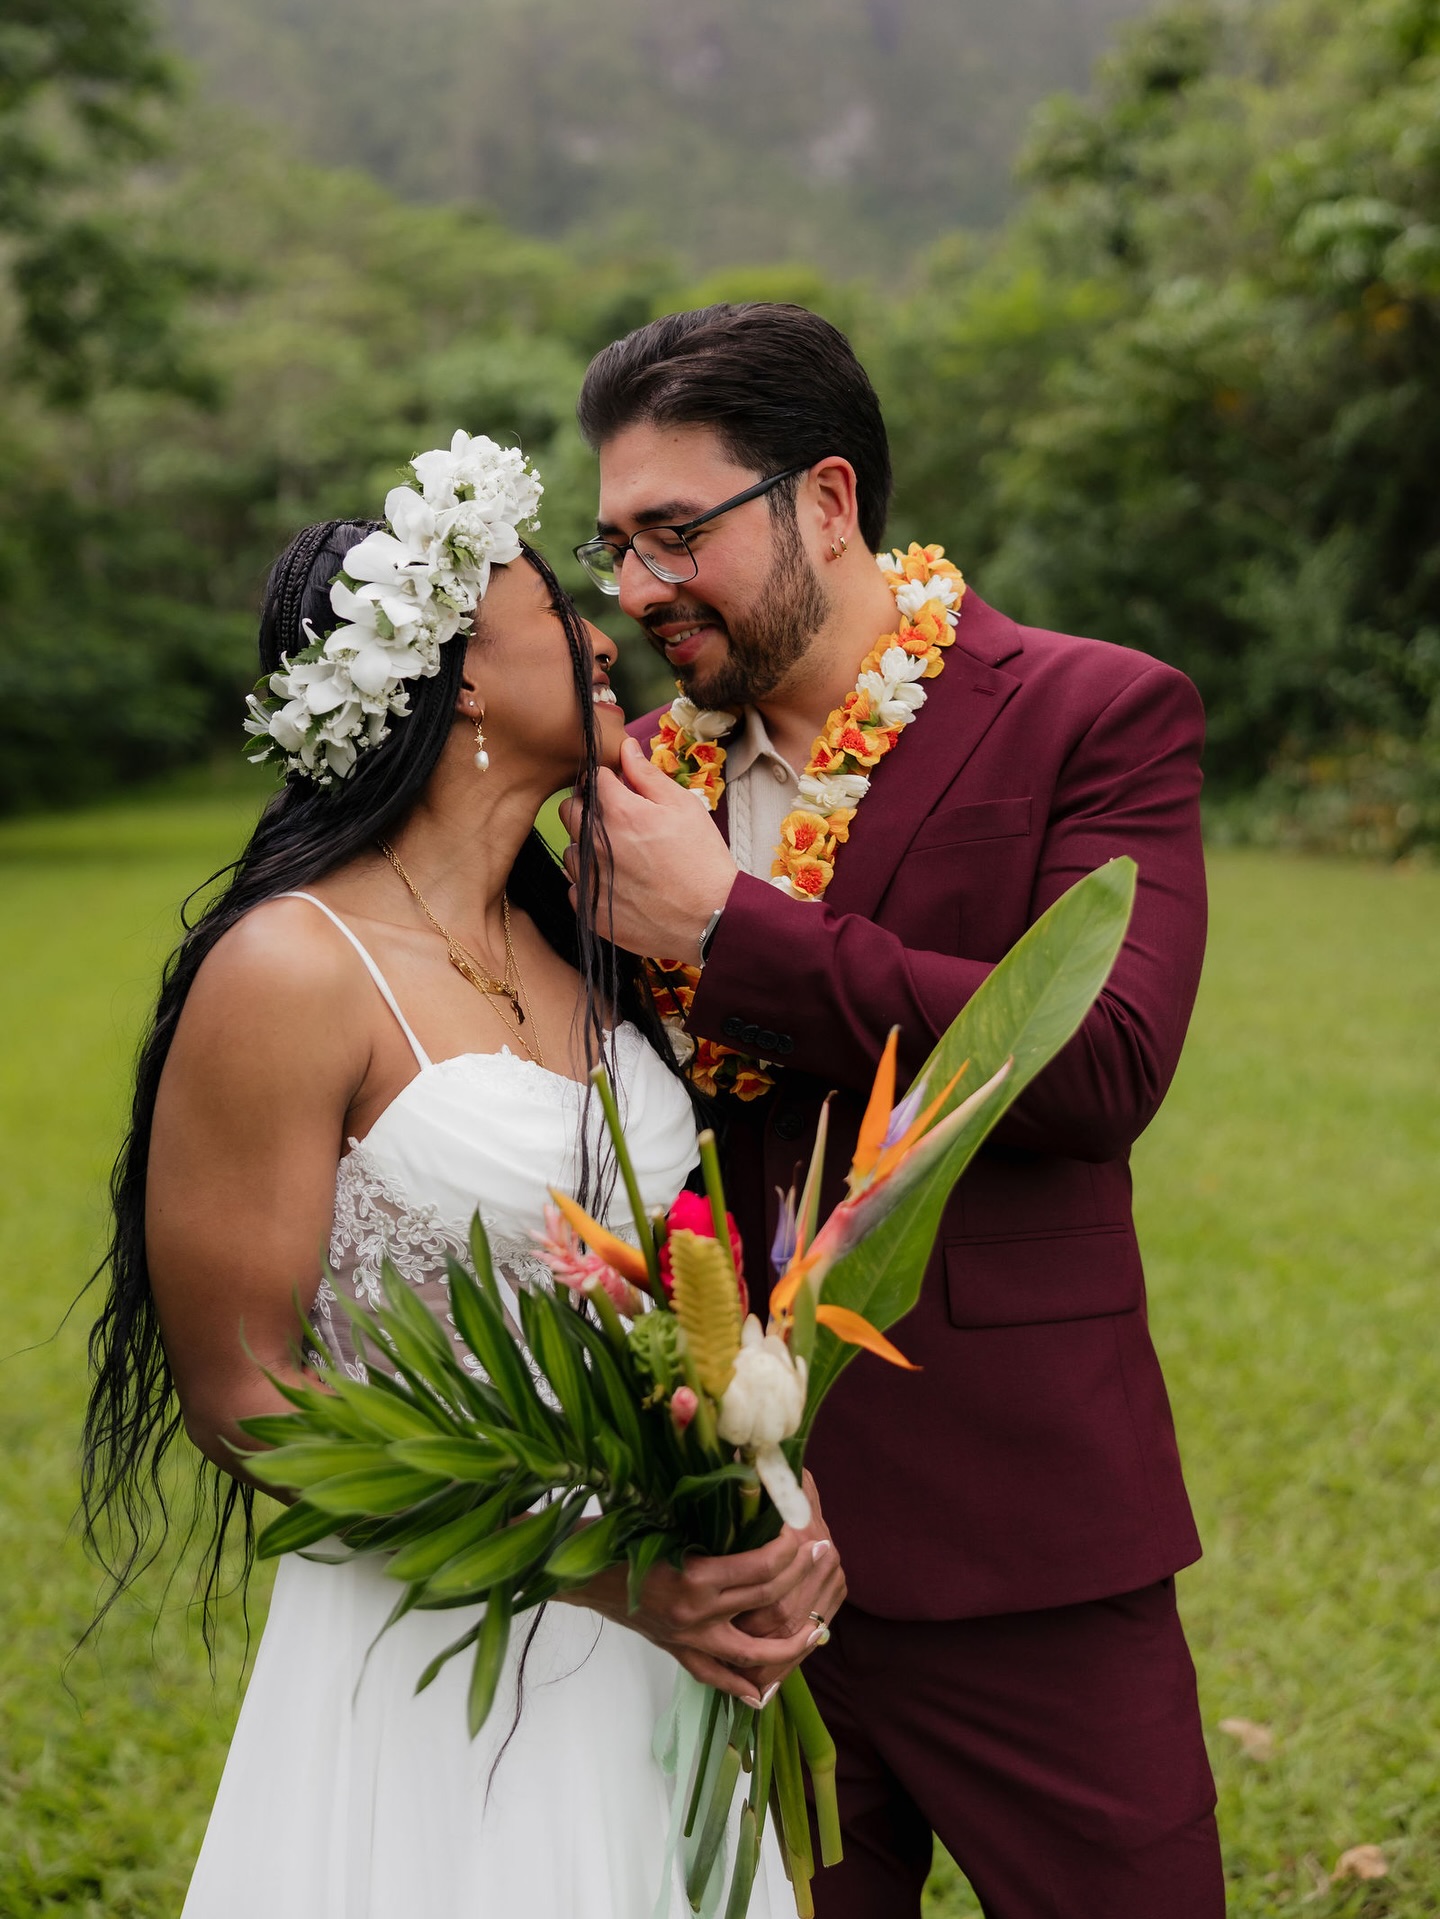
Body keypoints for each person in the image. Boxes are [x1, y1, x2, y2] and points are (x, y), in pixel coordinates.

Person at [80, 432, 843, 1918]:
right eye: (558, 607)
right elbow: (247, 1404)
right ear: (465, 677)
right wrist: (606, 1583)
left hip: (663, 1638)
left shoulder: (588, 950)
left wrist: (756, 1492)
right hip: (447, 1644)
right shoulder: (293, 969)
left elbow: (676, 1288)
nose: (609, 626)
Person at [560, 304, 1227, 1917]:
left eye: (675, 534)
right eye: (615, 548)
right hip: (728, 1561)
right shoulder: (635, 780)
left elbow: (1097, 1067)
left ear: (830, 500)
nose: (641, 590)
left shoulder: (1096, 713)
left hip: (1023, 1537)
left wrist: (732, 929)